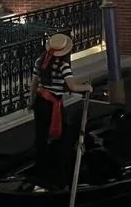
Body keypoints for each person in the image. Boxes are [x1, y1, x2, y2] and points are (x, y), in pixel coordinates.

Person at [29, 33, 93, 186]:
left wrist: (31, 101)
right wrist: (88, 87)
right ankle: (59, 170)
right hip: (52, 105)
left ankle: (41, 169)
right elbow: (72, 86)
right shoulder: (63, 65)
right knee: (61, 135)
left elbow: (34, 84)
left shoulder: (40, 61)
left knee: (41, 136)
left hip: (40, 101)